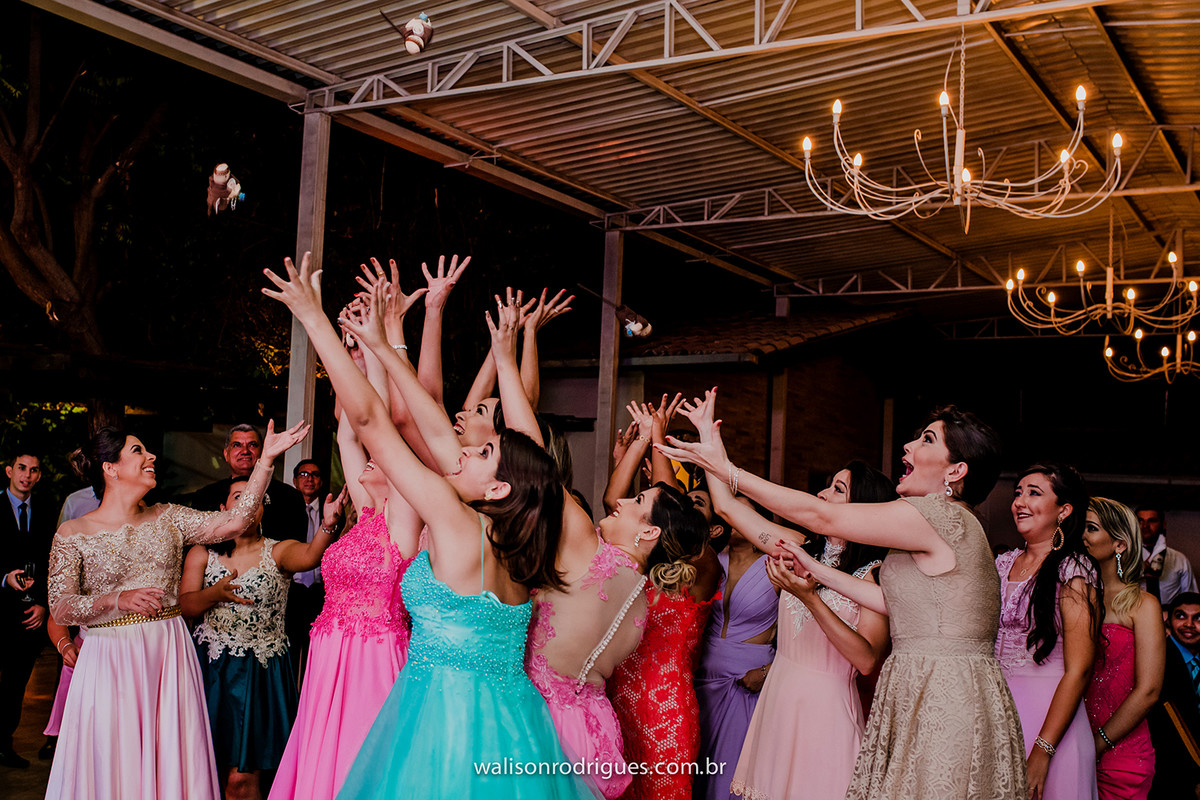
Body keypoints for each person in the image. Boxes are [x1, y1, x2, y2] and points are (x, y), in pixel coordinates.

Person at [264, 253, 587, 798]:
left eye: (481, 452)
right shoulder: (515, 540)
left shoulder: (456, 522)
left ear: (499, 487)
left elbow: (369, 422)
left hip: (445, 726)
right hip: (512, 726)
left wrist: (313, 317)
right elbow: (426, 419)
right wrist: (386, 346)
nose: (459, 454)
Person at [659, 398, 1027, 800]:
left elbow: (822, 517)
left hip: (942, 690)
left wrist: (728, 470)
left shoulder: (940, 516)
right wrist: (813, 571)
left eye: (926, 439)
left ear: (956, 470)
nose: (907, 447)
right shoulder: (932, 529)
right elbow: (893, 602)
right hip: (917, 683)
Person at [45, 421, 309, 798]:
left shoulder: (169, 517)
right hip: (109, 658)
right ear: (110, 467)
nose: (151, 456)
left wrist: (266, 461)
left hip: (167, 652)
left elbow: (236, 520)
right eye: (138, 451)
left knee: (169, 754)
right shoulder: (73, 532)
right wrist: (115, 600)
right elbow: (61, 605)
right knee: (112, 757)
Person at [271, 294, 424, 800]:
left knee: (367, 760)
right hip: (329, 650)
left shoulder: (403, 514)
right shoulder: (367, 513)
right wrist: (352, 358)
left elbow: (380, 430)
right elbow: (348, 435)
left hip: (375, 654)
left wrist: (378, 352)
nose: (366, 461)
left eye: (379, 458)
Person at [728, 459, 894, 800]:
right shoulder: (801, 549)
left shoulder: (873, 575)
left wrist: (810, 599)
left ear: (863, 506)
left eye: (837, 489)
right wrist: (713, 459)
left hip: (825, 709)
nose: (821, 494)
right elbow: (729, 509)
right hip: (781, 696)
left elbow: (866, 660)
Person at [181, 478, 343, 800]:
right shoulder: (202, 552)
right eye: (238, 496)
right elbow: (186, 605)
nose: (246, 502)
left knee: (242, 780)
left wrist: (327, 525)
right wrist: (214, 594)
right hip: (210, 672)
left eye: (254, 498)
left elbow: (310, 556)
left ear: (261, 510)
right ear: (223, 509)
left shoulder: (278, 551)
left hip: (259, 675)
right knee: (207, 770)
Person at [994, 464, 1100, 800]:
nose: (1020, 501)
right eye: (1018, 493)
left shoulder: (1073, 569)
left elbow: (1080, 668)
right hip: (997, 713)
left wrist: (1043, 751)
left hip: (1051, 720)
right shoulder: (1000, 564)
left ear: (1064, 510)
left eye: (1034, 493)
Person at [605, 485, 714, 800]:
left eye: (640, 498)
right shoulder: (629, 570)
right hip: (616, 706)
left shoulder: (692, 580)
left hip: (664, 714)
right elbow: (615, 504)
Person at [693, 497, 777, 800]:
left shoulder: (775, 566)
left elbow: (801, 634)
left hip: (747, 682)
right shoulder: (712, 562)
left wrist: (768, 672)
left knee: (728, 778)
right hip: (702, 681)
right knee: (695, 773)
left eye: (741, 512)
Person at [1083, 497, 1164, 800]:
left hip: (1122, 754)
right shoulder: (1073, 598)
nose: (1081, 536)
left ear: (1119, 545)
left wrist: (1096, 743)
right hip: (1069, 742)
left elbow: (1149, 691)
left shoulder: (1144, 606)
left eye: (1090, 528)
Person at [0, 451, 51, 769]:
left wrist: (44, 605)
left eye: (34, 469)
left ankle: (4, 744)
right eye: (21, 468)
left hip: (28, 615)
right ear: (9, 471)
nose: (27, 475)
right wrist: (2, 577)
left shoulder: (46, 511)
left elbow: (53, 563)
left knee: (15, 684)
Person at [190, 424, 307, 543]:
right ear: (226, 454)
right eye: (237, 445)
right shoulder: (204, 496)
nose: (245, 451)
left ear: (262, 452)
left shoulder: (290, 496)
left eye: (252, 445)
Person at [1146, 592, 1200, 800]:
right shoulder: (1160, 658)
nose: (1188, 624)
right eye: (1181, 616)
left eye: (1198, 618)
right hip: (1171, 768)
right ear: (1168, 620)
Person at [287, 458, 326, 678]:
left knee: (316, 649)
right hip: (295, 589)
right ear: (294, 481)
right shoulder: (288, 511)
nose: (309, 478)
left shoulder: (334, 510)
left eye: (315, 474)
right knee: (292, 646)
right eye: (303, 474)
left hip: (321, 590)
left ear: (320, 481)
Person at [1135, 506, 1197, 605]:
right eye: (1140, 521)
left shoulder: (1179, 559)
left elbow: (1190, 598)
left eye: (1152, 521)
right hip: (1134, 616)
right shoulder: (1124, 558)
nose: (1145, 526)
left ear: (1163, 524)